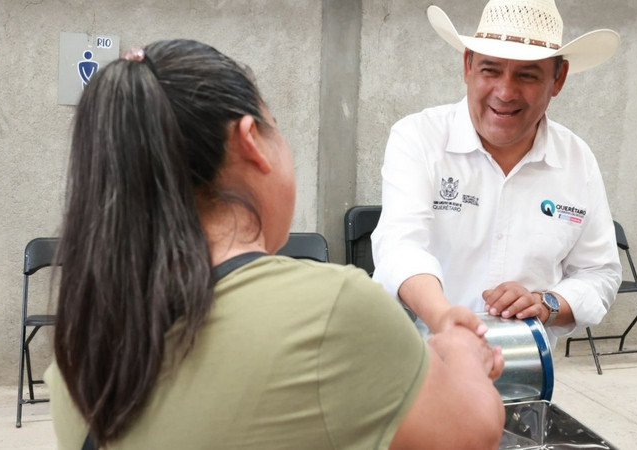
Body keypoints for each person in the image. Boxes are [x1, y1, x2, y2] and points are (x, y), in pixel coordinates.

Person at [44, 39, 505, 449]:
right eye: (276, 126)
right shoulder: (333, 309)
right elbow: (473, 431)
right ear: (251, 143)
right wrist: (462, 350)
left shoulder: (80, 352)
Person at [371, 0, 623, 344]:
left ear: (557, 79)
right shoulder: (418, 138)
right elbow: (400, 247)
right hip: (417, 361)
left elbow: (600, 273)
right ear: (467, 67)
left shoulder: (578, 159)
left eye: (527, 75)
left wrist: (545, 304)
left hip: (526, 371)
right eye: (491, 70)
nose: (505, 92)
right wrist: (448, 322)